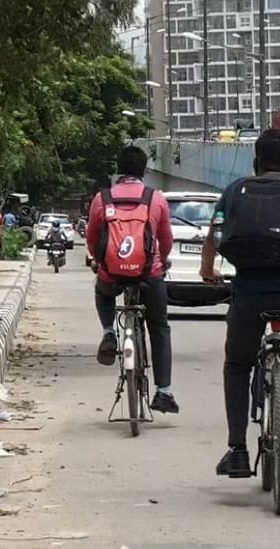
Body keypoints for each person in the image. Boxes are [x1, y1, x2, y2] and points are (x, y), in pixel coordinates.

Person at [200, 129, 280, 478]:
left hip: (248, 296)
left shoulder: (233, 193)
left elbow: (213, 236)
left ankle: (238, 450)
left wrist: (207, 270)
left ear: (255, 162)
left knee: (237, 366)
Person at [85, 146, 180, 414]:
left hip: (112, 273)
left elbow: (92, 236)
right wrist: (162, 259)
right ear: (144, 170)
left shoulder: (102, 199)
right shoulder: (156, 199)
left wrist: (98, 260)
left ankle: (108, 332)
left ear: (119, 169)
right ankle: (164, 391)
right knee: (159, 328)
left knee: (103, 292)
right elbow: (165, 239)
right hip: (149, 274)